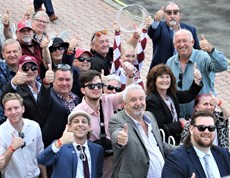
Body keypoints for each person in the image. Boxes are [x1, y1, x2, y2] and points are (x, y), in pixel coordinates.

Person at [71, 67, 133, 178]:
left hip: (112, 159)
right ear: (82, 90)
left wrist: (130, 76)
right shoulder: (78, 112)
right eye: (91, 86)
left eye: (99, 85)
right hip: (92, 163)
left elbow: (127, 94)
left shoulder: (107, 100)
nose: (96, 89)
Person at [109, 84, 175, 178]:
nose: (138, 103)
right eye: (133, 100)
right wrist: (120, 139)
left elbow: (159, 144)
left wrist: (182, 149)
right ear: (124, 104)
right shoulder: (117, 119)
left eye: (141, 98)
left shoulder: (150, 116)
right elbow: (116, 134)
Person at [166, 29, 228, 118]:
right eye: (178, 41)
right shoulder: (170, 62)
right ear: (174, 44)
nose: (182, 44)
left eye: (185, 41)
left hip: (203, 118)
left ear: (192, 42)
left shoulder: (203, 57)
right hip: (179, 119)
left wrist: (211, 50)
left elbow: (222, 66)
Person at [162, 110, 230, 178]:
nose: (207, 131)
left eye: (211, 128)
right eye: (202, 128)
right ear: (191, 129)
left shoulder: (223, 154)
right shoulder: (176, 159)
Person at [146, 64, 203, 144]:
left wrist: (197, 80)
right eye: (161, 77)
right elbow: (161, 128)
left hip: (175, 139)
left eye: (167, 77)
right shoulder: (152, 100)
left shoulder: (171, 94)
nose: (165, 80)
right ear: (154, 80)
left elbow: (188, 95)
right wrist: (181, 124)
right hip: (165, 143)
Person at [37, 110, 104, 178]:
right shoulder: (60, 146)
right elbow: (41, 160)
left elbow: (98, 173)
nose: (80, 124)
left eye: (84, 122)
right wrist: (60, 142)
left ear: (89, 127)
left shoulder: (97, 149)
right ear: (69, 127)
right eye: (76, 121)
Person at [0, 93, 47, 178]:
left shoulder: (34, 126)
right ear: (5, 113)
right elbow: (1, 166)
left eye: (16, 108)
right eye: (9, 109)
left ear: (23, 109)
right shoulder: (1, 132)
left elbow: (40, 156)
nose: (13, 112)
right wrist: (11, 148)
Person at [37, 64, 80, 147]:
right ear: (53, 80)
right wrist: (46, 83)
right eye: (60, 79)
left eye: (68, 80)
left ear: (72, 81)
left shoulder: (76, 98)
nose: (64, 83)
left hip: (74, 147)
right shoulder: (49, 96)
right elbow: (43, 99)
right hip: (54, 149)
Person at [148, 2, 200, 70]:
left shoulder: (191, 29)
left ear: (180, 14)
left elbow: (197, 50)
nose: (172, 16)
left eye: (175, 12)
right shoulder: (160, 26)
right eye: (169, 13)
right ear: (165, 15)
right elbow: (153, 34)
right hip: (162, 71)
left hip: (185, 70)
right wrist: (156, 21)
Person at [111, 17, 152, 90]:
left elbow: (141, 50)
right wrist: (117, 33)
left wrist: (145, 30)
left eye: (133, 56)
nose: (131, 59)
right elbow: (116, 51)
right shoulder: (117, 68)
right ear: (120, 57)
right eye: (127, 56)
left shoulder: (136, 66)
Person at [1, 55, 42, 125]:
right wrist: (13, 82)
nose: (29, 71)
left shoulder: (44, 87)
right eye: (25, 68)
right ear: (18, 70)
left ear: (37, 71)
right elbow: (3, 100)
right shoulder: (16, 90)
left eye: (33, 68)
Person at [0, 39, 22, 123]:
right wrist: (13, 83)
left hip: (27, 119)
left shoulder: (28, 67)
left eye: (15, 51)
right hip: (4, 120)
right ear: (3, 54)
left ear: (20, 52)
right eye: (8, 52)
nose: (12, 55)